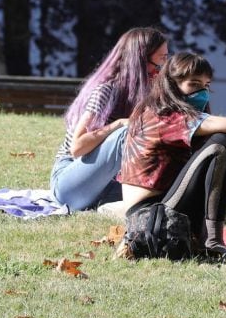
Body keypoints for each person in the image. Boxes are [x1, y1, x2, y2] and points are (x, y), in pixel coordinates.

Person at [118, 52, 226, 260]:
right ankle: (212, 242)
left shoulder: (180, 114)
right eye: (193, 84)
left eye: (206, 85)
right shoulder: (163, 114)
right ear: (172, 86)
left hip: (171, 206)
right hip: (151, 218)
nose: (202, 92)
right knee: (223, 143)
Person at [50, 27, 168, 211]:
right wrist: (118, 124)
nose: (163, 67)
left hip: (102, 185)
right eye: (161, 59)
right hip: (68, 184)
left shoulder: (146, 92)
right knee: (124, 133)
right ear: (142, 60)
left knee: (166, 193)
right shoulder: (106, 90)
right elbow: (77, 147)